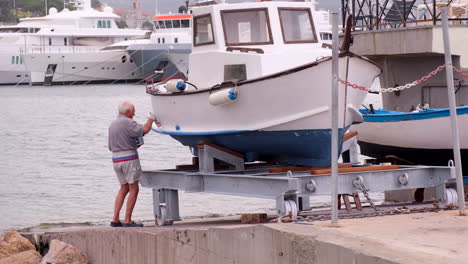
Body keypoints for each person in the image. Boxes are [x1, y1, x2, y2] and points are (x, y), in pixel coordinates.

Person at [108, 100, 156, 227]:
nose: (134, 114)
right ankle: (128, 220)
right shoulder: (128, 122)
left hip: (115, 159)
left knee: (123, 188)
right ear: (128, 112)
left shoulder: (112, 124)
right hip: (129, 159)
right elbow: (145, 129)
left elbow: (110, 146)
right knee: (134, 189)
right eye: (133, 112)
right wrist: (152, 118)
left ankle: (115, 219)